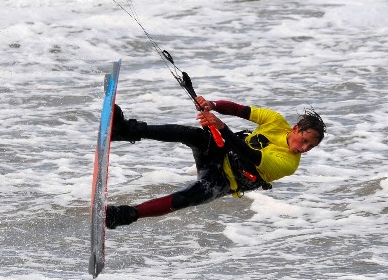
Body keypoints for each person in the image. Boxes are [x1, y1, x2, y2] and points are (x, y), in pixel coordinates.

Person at [105, 96, 325, 228]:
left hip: (224, 180)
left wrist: (222, 127)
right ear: (296, 129)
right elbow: (240, 110)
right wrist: (211, 104)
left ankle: (123, 215)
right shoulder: (276, 121)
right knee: (192, 134)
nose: (304, 148)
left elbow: (250, 156)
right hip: (221, 153)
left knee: (186, 197)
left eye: (310, 147)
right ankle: (124, 130)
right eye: (304, 141)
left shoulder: (289, 163)